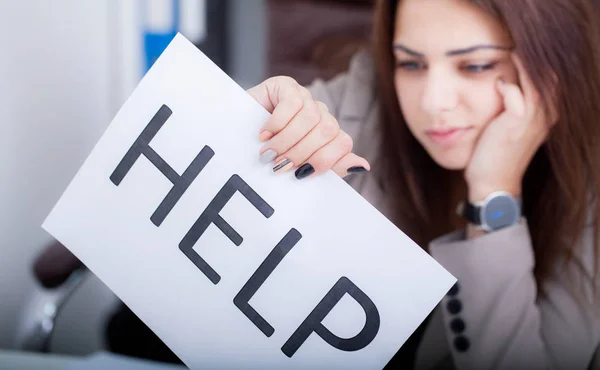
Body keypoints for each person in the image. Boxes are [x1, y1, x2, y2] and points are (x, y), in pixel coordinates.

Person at [247, 0, 600, 369]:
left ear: (555, 62)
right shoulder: (359, 104)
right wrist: (243, 124)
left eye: (475, 65)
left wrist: (494, 193)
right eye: (411, 64)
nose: (434, 102)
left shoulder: (588, 183)